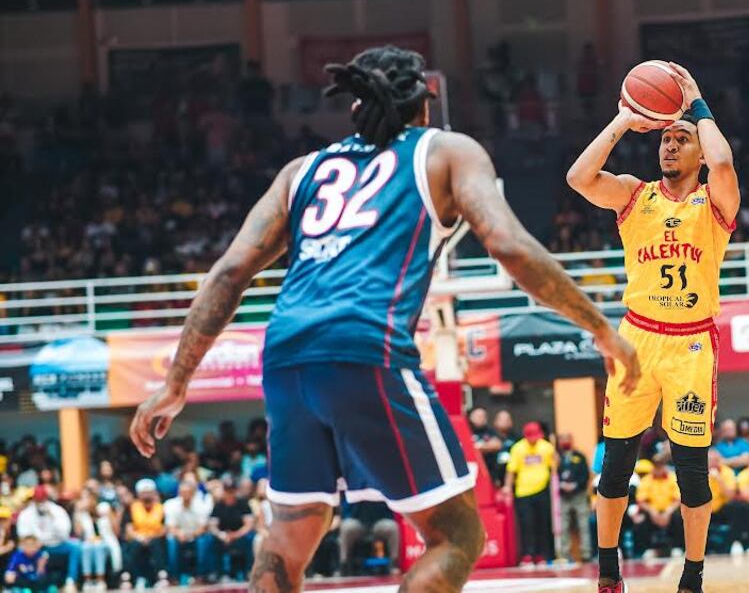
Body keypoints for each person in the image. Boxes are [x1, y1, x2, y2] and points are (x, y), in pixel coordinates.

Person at [129, 46, 640, 593]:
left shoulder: (302, 172)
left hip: (284, 355)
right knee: (458, 534)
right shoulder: (445, 152)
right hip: (365, 346)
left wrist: (175, 384)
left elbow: (229, 272)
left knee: (288, 538)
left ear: (354, 107)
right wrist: (601, 328)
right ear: (425, 103)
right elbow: (510, 246)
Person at [566, 61, 739, 593]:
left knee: (692, 473)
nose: (670, 145)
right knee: (616, 465)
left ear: (698, 153)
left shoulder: (715, 201)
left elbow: (724, 161)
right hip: (637, 340)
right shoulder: (633, 194)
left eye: (682, 139)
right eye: (665, 138)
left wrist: (697, 104)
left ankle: (693, 577)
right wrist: (625, 118)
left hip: (690, 345)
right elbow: (578, 178)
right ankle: (608, 570)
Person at [502, 422, 556, 565]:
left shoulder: (547, 447)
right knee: (526, 525)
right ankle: (527, 555)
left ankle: (541, 555)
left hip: (543, 490)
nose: (533, 440)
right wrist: (507, 487)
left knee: (543, 523)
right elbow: (511, 470)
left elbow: (554, 467)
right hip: (523, 492)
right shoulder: (517, 448)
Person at [15, 485, 79, 591]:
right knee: (20, 551)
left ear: (47, 499)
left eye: (42, 500)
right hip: (35, 547)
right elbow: (22, 534)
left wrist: (52, 517)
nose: (40, 503)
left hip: (56, 546)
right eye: (38, 500)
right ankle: (23, 585)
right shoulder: (26, 514)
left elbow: (65, 534)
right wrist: (35, 543)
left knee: (75, 547)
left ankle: (70, 581)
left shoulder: (57, 511)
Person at [199, 481, 254, 582]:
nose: (229, 494)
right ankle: (215, 573)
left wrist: (235, 535)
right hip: (223, 536)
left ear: (235, 491)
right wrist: (221, 535)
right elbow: (212, 525)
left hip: (239, 535)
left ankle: (248, 571)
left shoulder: (243, 503)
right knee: (209, 539)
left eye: (231, 491)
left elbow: (248, 525)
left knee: (250, 538)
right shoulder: (218, 505)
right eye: (227, 491)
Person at [554, 433, 592, 565]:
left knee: (583, 524)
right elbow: (555, 475)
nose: (564, 441)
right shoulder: (557, 458)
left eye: (567, 439)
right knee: (564, 526)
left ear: (571, 440)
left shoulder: (579, 456)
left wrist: (575, 485)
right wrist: (562, 485)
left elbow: (585, 475)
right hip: (564, 496)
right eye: (562, 439)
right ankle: (564, 554)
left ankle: (586, 553)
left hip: (579, 495)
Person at [163, 479, 212, 583]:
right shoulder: (171, 505)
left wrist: (191, 535)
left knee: (204, 540)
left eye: (188, 492)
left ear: (193, 493)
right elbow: (170, 527)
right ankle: (174, 577)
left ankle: (200, 575)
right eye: (182, 492)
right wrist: (179, 534)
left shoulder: (201, 505)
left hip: (196, 535)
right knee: (171, 541)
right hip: (179, 536)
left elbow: (203, 527)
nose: (185, 495)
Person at [122, 479, 167, 587]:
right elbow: (129, 529)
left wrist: (151, 537)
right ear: (138, 494)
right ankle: (128, 577)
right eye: (143, 492)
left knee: (156, 544)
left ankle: (161, 575)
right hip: (137, 537)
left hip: (155, 537)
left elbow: (165, 529)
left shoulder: (161, 507)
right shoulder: (131, 507)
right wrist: (139, 537)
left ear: (154, 493)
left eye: (149, 492)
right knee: (134, 545)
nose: (146, 495)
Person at [337, 500, 399, 574]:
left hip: (378, 522)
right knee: (347, 526)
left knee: (392, 526)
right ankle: (344, 563)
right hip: (357, 522)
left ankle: (394, 562)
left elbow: (388, 509)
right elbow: (346, 510)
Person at [72, 490, 112, 590]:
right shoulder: (82, 515)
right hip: (88, 543)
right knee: (86, 547)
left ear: (93, 499)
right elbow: (78, 533)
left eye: (87, 498)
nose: (85, 501)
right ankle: (88, 581)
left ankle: (101, 580)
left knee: (98, 546)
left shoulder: (104, 509)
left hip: (105, 543)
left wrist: (109, 515)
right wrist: (77, 512)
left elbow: (115, 532)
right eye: (82, 499)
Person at [468, 408, 504, 485]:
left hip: (488, 470)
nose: (481, 418)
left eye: (483, 416)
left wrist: (479, 447)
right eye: (478, 416)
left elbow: (497, 445)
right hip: (471, 471)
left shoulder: (490, 431)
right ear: (471, 417)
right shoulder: (467, 429)